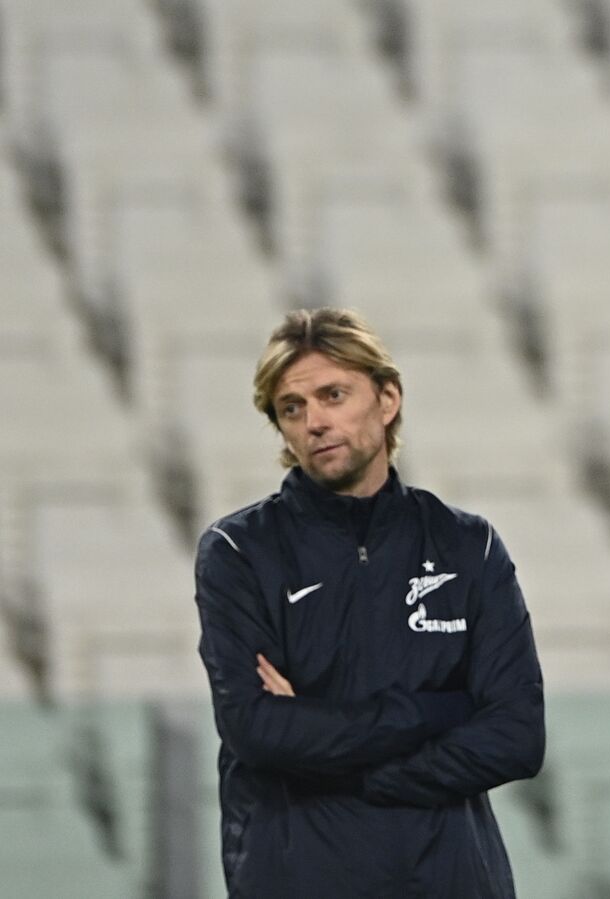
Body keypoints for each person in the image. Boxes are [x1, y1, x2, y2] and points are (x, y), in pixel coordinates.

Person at [193, 308, 545, 898]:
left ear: (387, 400)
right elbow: (256, 728)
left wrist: (363, 767)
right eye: (292, 408)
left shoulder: (467, 544)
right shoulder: (240, 551)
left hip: (450, 879)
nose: (314, 423)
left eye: (333, 395)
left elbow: (517, 736)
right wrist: (440, 711)